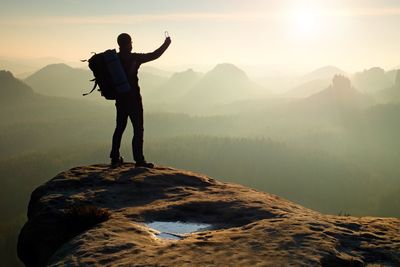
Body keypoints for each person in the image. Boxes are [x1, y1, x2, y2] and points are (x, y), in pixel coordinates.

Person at [110, 33, 171, 168]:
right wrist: (166, 44)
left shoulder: (114, 59)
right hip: (134, 99)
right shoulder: (134, 58)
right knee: (138, 129)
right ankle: (139, 160)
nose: (132, 45)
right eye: (131, 42)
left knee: (120, 127)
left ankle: (114, 157)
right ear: (128, 44)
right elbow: (154, 54)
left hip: (120, 99)